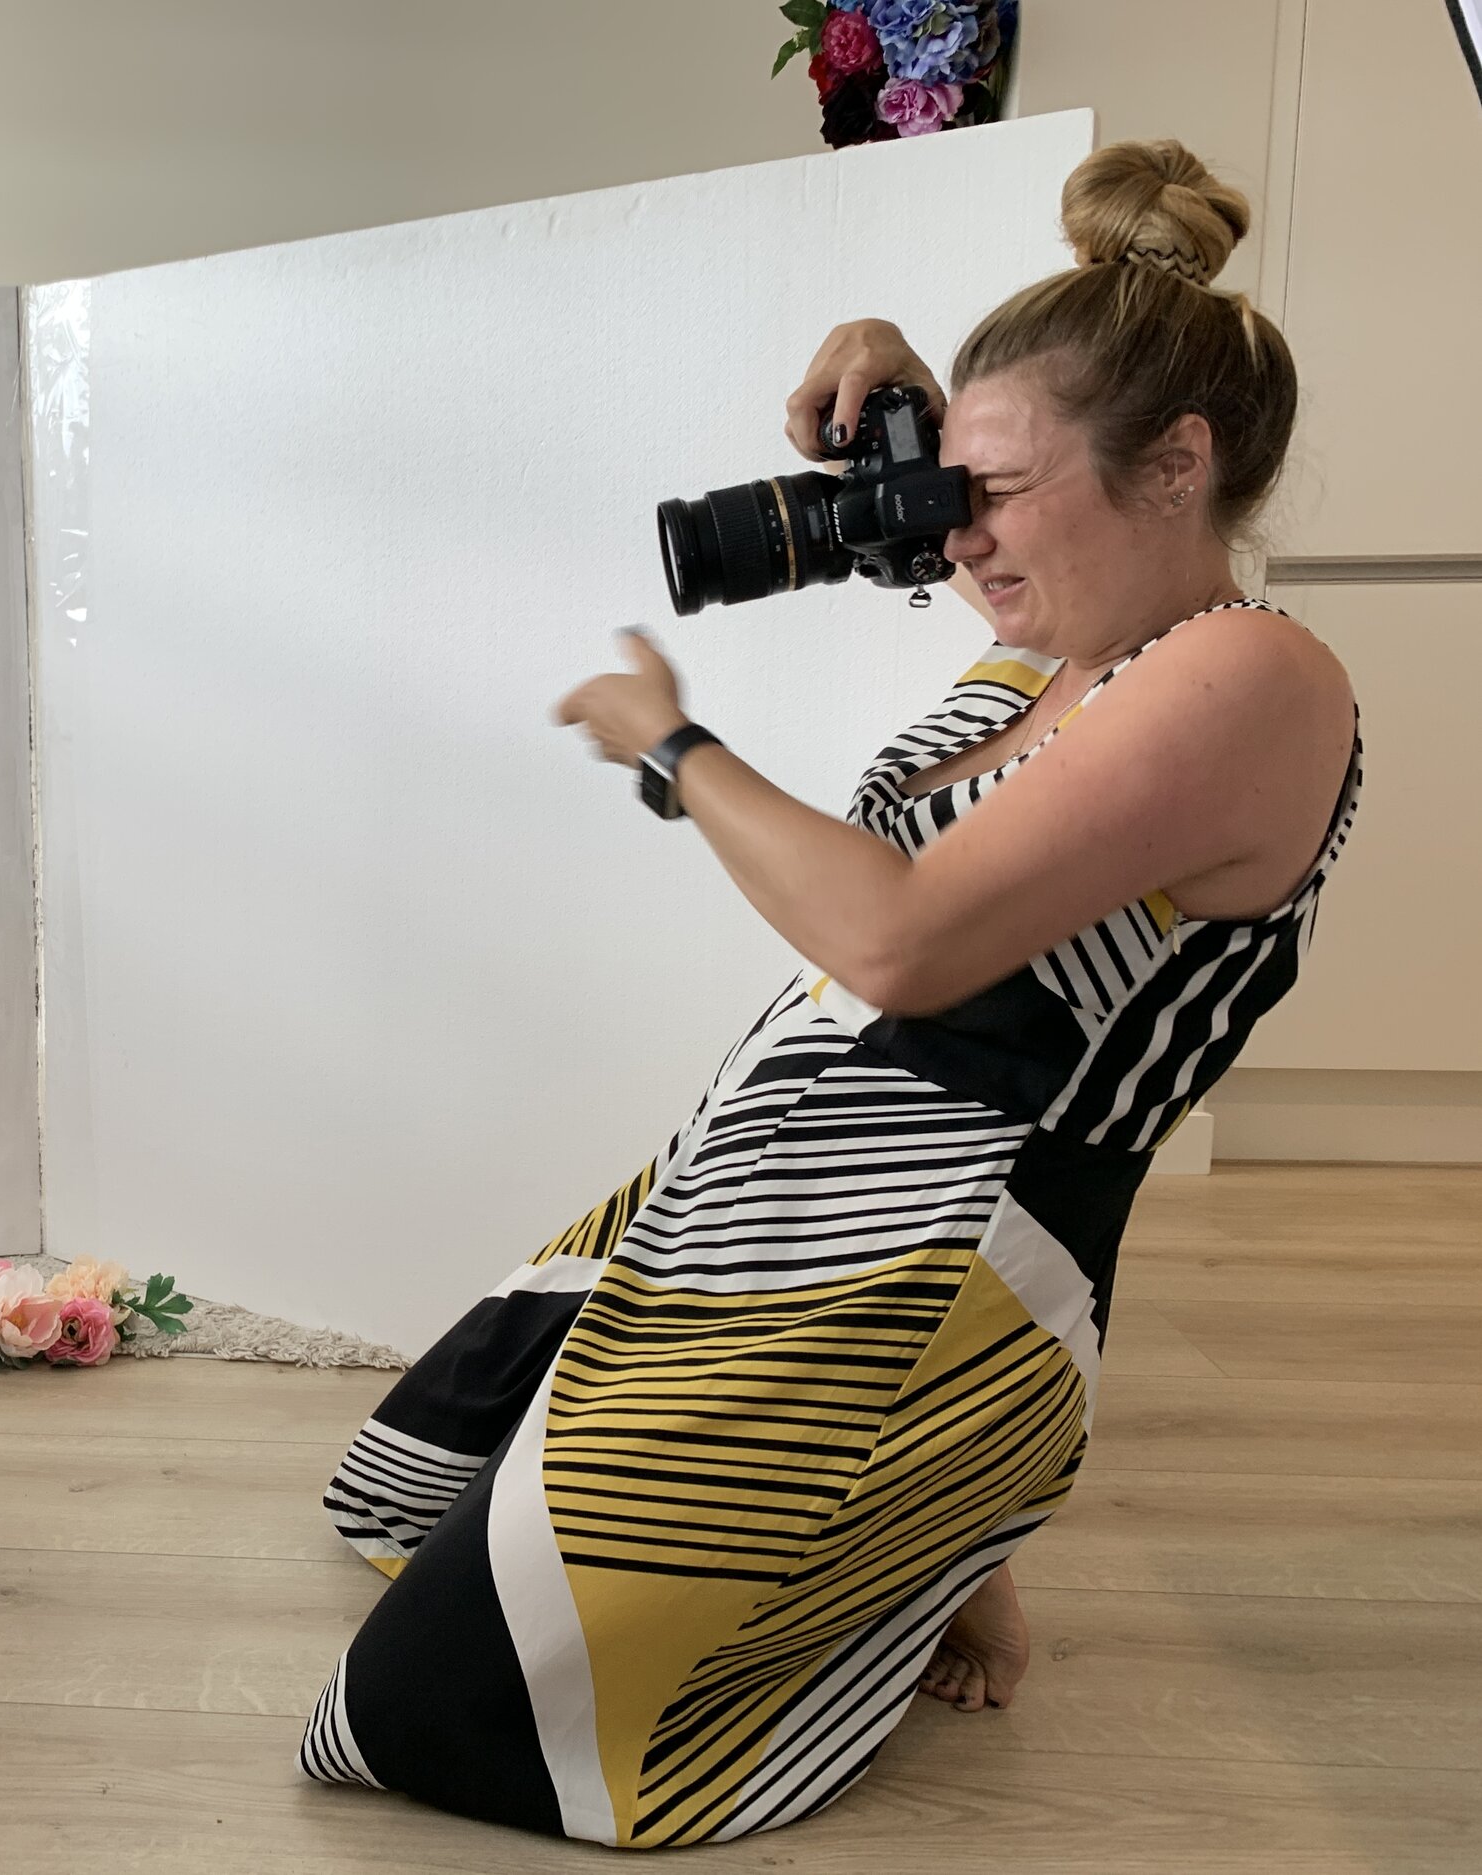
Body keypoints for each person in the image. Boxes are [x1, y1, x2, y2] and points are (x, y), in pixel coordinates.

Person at [297, 139, 1360, 1850]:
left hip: (933, 1259)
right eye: (955, 487)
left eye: (993, 495)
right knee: (400, 1497)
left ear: (1180, 468)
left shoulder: (1251, 675)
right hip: (754, 1168)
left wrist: (674, 751)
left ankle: (936, 1507)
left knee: (422, 1721)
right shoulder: (1065, 645)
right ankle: (916, 1552)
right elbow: (1008, 519)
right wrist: (897, 376)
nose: (960, 537)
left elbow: (904, 945)